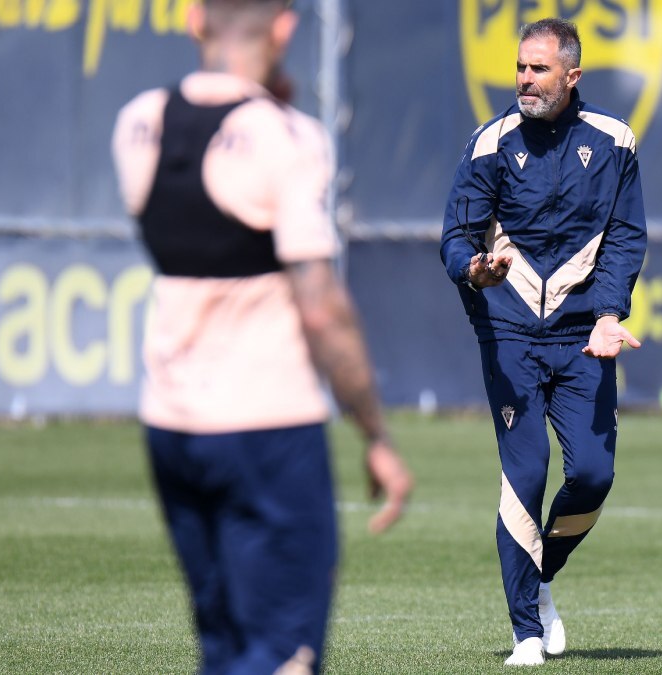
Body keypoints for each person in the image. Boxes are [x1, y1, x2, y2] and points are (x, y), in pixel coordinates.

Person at [111, 1, 412, 672]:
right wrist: (375, 433)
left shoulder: (137, 124)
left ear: (193, 18)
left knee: (223, 647)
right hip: (267, 426)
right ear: (283, 26)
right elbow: (320, 308)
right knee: (282, 653)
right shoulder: (288, 137)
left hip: (171, 424)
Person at [440, 17, 646, 667]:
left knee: (593, 473)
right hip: (507, 331)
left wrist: (611, 313)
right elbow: (454, 237)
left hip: (584, 332)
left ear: (572, 76)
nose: (523, 79)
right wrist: (475, 269)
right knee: (525, 472)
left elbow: (625, 235)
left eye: (538, 69)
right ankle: (526, 630)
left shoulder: (613, 142)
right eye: (520, 67)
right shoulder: (491, 143)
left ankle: (543, 575)